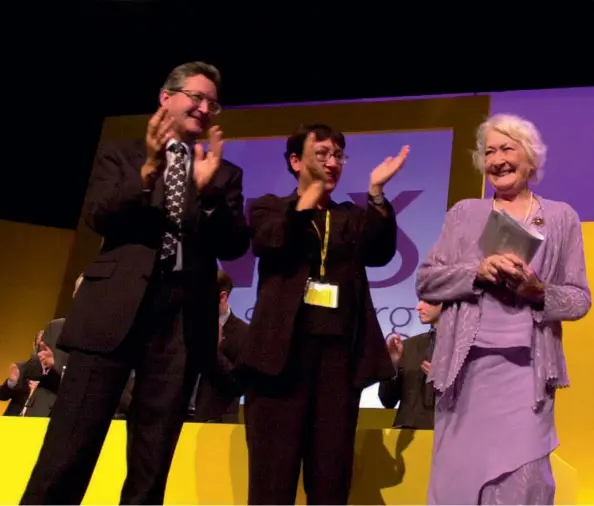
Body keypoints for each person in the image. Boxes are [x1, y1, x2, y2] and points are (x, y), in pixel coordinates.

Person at [20, 61, 250, 505]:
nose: (205, 108)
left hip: (182, 322)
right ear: (167, 98)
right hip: (113, 311)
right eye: (195, 97)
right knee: (68, 450)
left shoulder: (224, 174)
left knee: (151, 462)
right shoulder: (123, 155)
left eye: (212, 102)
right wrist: (147, 169)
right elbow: (100, 215)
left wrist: (207, 197)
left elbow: (236, 244)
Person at [416, 113, 591, 505]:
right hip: (465, 377)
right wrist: (477, 271)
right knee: (457, 487)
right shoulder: (464, 213)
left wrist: (538, 291)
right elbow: (427, 280)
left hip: (526, 378)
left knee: (521, 486)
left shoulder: (561, 217)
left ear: (529, 158)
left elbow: (579, 299)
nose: (497, 160)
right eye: (489, 151)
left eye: (507, 148)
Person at [241, 123, 409, 504]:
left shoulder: (348, 215)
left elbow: (380, 252)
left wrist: (377, 194)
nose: (333, 163)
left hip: (338, 363)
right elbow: (274, 242)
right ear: (296, 161)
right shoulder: (270, 207)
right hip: (279, 364)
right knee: (271, 484)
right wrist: (309, 197)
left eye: (338, 156)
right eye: (322, 155)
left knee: (330, 483)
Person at [379, 299, 442, 429]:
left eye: (428, 302)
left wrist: (444, 381)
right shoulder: (408, 347)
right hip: (408, 437)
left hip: (449, 435)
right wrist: (392, 365)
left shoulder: (468, 349)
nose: (418, 307)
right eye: (420, 301)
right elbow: (387, 401)